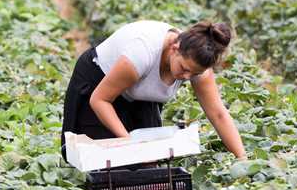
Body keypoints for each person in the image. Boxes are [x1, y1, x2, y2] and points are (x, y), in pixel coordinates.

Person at [61, 20, 247, 160]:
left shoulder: (198, 65)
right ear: (175, 47)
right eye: (184, 69)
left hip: (139, 95)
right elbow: (99, 100)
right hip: (99, 83)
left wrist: (242, 158)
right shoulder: (141, 52)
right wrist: (129, 142)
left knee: (147, 160)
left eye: (194, 73)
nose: (187, 77)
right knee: (101, 157)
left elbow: (218, 114)